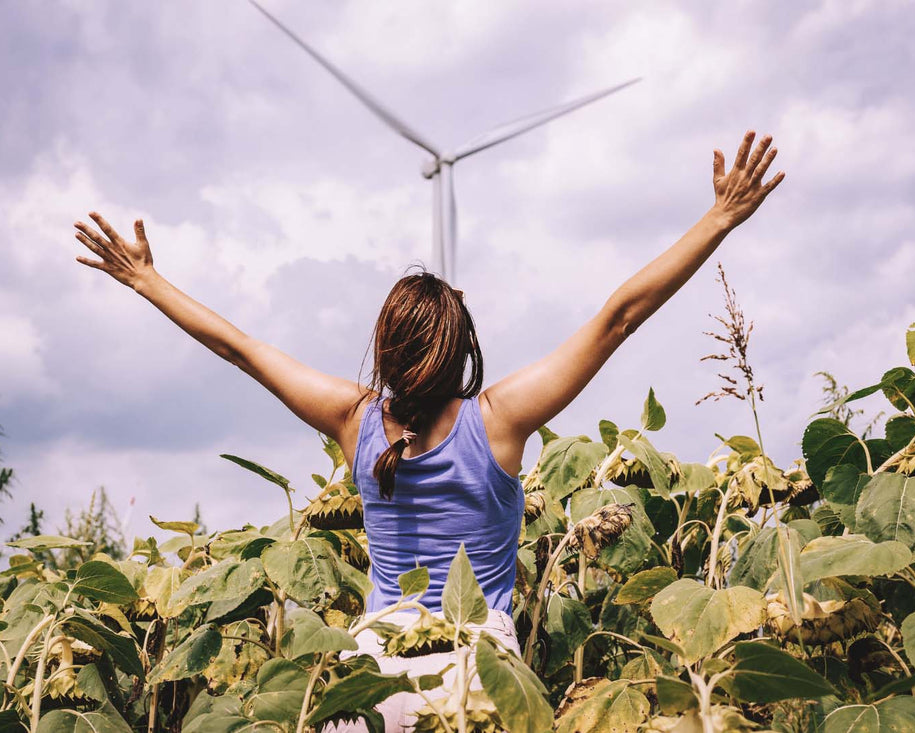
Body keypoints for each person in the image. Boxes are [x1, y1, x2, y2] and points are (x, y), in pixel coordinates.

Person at [73, 130, 784, 731]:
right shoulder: (498, 422)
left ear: (384, 349)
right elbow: (618, 317)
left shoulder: (354, 421)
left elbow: (242, 348)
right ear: (461, 345)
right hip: (474, 674)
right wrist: (719, 218)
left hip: (372, 676)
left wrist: (146, 280)